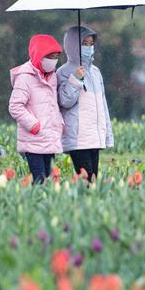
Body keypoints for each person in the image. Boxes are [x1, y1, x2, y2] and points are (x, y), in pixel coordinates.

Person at [57, 26, 113, 181]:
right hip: (78, 138)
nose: (88, 48)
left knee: (93, 180)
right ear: (73, 46)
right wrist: (75, 79)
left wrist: (106, 133)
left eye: (91, 44)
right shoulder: (64, 72)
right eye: (84, 44)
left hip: (94, 136)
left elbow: (102, 106)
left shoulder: (96, 72)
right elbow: (65, 101)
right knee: (86, 180)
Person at [9, 34, 64, 184]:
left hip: (49, 138)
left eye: (56, 57)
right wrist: (34, 125)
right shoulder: (25, 77)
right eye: (50, 56)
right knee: (39, 180)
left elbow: (53, 104)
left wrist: (60, 123)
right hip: (33, 139)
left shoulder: (52, 77)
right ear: (39, 55)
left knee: (48, 179)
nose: (53, 61)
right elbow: (15, 106)